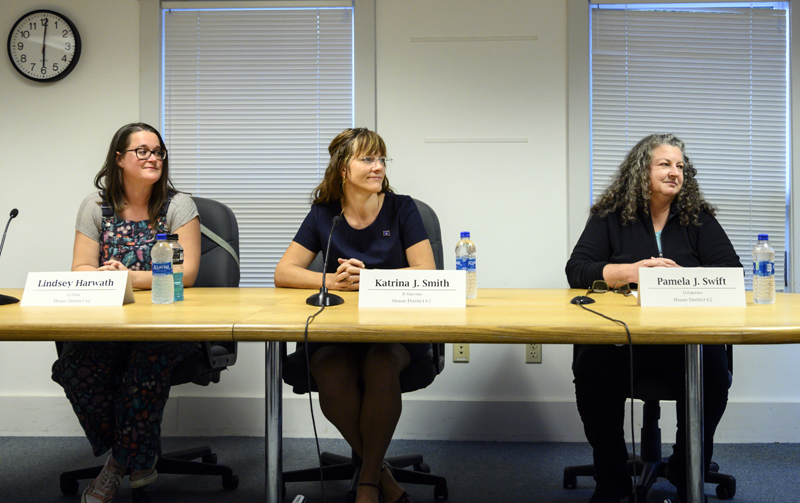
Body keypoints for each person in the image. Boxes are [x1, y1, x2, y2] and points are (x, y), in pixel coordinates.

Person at [565, 133, 742, 503]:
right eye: (665, 164)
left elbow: (731, 272)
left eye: (680, 166)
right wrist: (632, 271)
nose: (675, 172)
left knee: (711, 372)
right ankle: (611, 477)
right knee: (592, 368)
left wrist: (675, 280)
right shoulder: (609, 217)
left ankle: (686, 470)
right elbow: (577, 269)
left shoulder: (698, 219)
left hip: (685, 342)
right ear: (640, 171)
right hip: (625, 341)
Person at [274, 127, 435, 503]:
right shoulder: (324, 216)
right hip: (339, 332)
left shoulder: (402, 208)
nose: (378, 166)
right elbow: (284, 272)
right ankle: (379, 473)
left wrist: (371, 279)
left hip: (395, 332)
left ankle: (366, 482)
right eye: (367, 158)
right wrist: (332, 280)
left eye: (381, 159)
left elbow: (426, 271)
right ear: (342, 170)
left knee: (380, 364)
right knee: (328, 366)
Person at [51, 122, 202, 503]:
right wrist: (106, 278)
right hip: (110, 323)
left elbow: (187, 272)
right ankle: (139, 454)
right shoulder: (95, 207)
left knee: (143, 368)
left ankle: (118, 464)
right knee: (73, 368)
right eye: (143, 151)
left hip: (167, 325)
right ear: (119, 160)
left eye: (158, 151)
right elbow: (81, 268)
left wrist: (127, 278)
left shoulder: (177, 205)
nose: (153, 157)